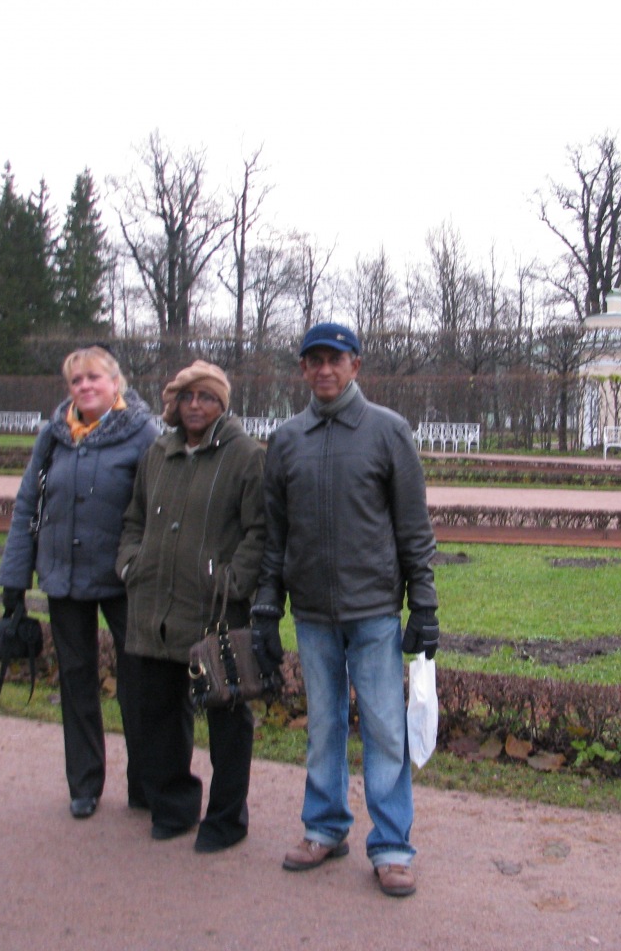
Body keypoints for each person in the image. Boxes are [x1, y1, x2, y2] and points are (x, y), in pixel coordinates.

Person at [251, 322, 440, 898]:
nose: (325, 369)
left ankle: (392, 846)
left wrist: (424, 603)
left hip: (374, 610)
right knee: (324, 726)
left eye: (336, 359)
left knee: (384, 730)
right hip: (312, 612)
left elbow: (413, 527)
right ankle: (325, 827)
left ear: (356, 365)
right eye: (315, 361)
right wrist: (267, 604)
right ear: (303, 370)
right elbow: (275, 534)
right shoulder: (287, 440)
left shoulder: (388, 431)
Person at [0, 345, 160, 820]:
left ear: (116, 383)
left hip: (124, 579)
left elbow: (159, 506)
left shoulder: (143, 433)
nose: (85, 386)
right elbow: (27, 505)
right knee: (76, 681)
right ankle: (84, 784)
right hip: (63, 576)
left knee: (139, 683)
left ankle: (144, 782)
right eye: (76, 380)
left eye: (94, 377)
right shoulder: (53, 436)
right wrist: (14, 580)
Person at [116, 360, 266, 852]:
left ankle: (226, 818)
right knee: (159, 713)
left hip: (215, 610)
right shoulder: (158, 454)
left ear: (222, 404)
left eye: (206, 397)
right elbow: (134, 518)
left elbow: (259, 530)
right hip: (156, 605)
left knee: (227, 718)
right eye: (187, 397)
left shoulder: (246, 456)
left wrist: (233, 581)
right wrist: (131, 563)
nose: (195, 406)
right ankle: (174, 806)